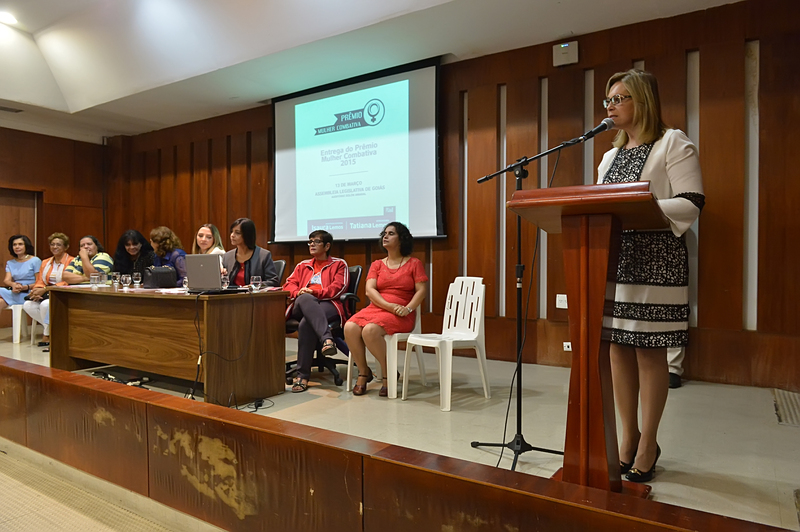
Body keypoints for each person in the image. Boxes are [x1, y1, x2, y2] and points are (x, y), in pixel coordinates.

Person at [597, 69, 704, 483]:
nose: (611, 106)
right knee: (618, 349)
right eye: (608, 100)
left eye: (619, 98)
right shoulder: (609, 156)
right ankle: (629, 436)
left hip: (657, 259)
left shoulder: (672, 142)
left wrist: (646, 206)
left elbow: (691, 202)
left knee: (648, 350)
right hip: (618, 260)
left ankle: (649, 443)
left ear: (642, 100)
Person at [344, 222, 427, 397]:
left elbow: (421, 291)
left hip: (402, 313)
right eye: (384, 233)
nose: (385, 236)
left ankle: (387, 373)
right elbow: (370, 291)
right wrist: (389, 306)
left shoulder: (414, 263)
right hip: (378, 308)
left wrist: (408, 309)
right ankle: (363, 372)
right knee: (350, 327)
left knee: (370, 331)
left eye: (391, 233)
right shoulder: (377, 265)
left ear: (402, 239)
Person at [282, 230, 349, 392]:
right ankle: (327, 339)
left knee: (307, 323)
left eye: (316, 241)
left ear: (327, 246)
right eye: (310, 241)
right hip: (302, 303)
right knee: (305, 298)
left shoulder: (339, 264)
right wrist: (299, 292)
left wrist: (315, 292)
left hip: (328, 304)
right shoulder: (303, 265)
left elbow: (339, 288)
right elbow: (288, 285)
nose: (312, 244)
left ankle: (302, 376)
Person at [22, 233, 74, 347]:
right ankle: (54, 330)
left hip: (62, 293)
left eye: (58, 244)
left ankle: (47, 335)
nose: (55, 247)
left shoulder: (72, 261)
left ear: (66, 247)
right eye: (52, 244)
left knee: (45, 305)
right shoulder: (46, 262)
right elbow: (40, 280)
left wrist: (46, 289)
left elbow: (67, 281)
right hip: (46, 292)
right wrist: (37, 290)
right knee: (28, 305)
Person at [222, 218, 278, 288]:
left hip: (254, 294)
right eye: (231, 232)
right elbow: (222, 282)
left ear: (247, 235)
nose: (232, 235)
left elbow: (273, 281)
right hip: (232, 294)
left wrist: (253, 286)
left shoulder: (263, 255)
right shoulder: (227, 256)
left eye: (237, 233)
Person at [0, 235, 42, 313]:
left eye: (20, 244)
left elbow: (40, 281)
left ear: (26, 246)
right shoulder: (10, 263)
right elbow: (6, 280)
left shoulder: (35, 260)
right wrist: (13, 285)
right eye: (14, 245)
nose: (17, 247)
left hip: (30, 292)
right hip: (15, 292)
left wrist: (25, 287)